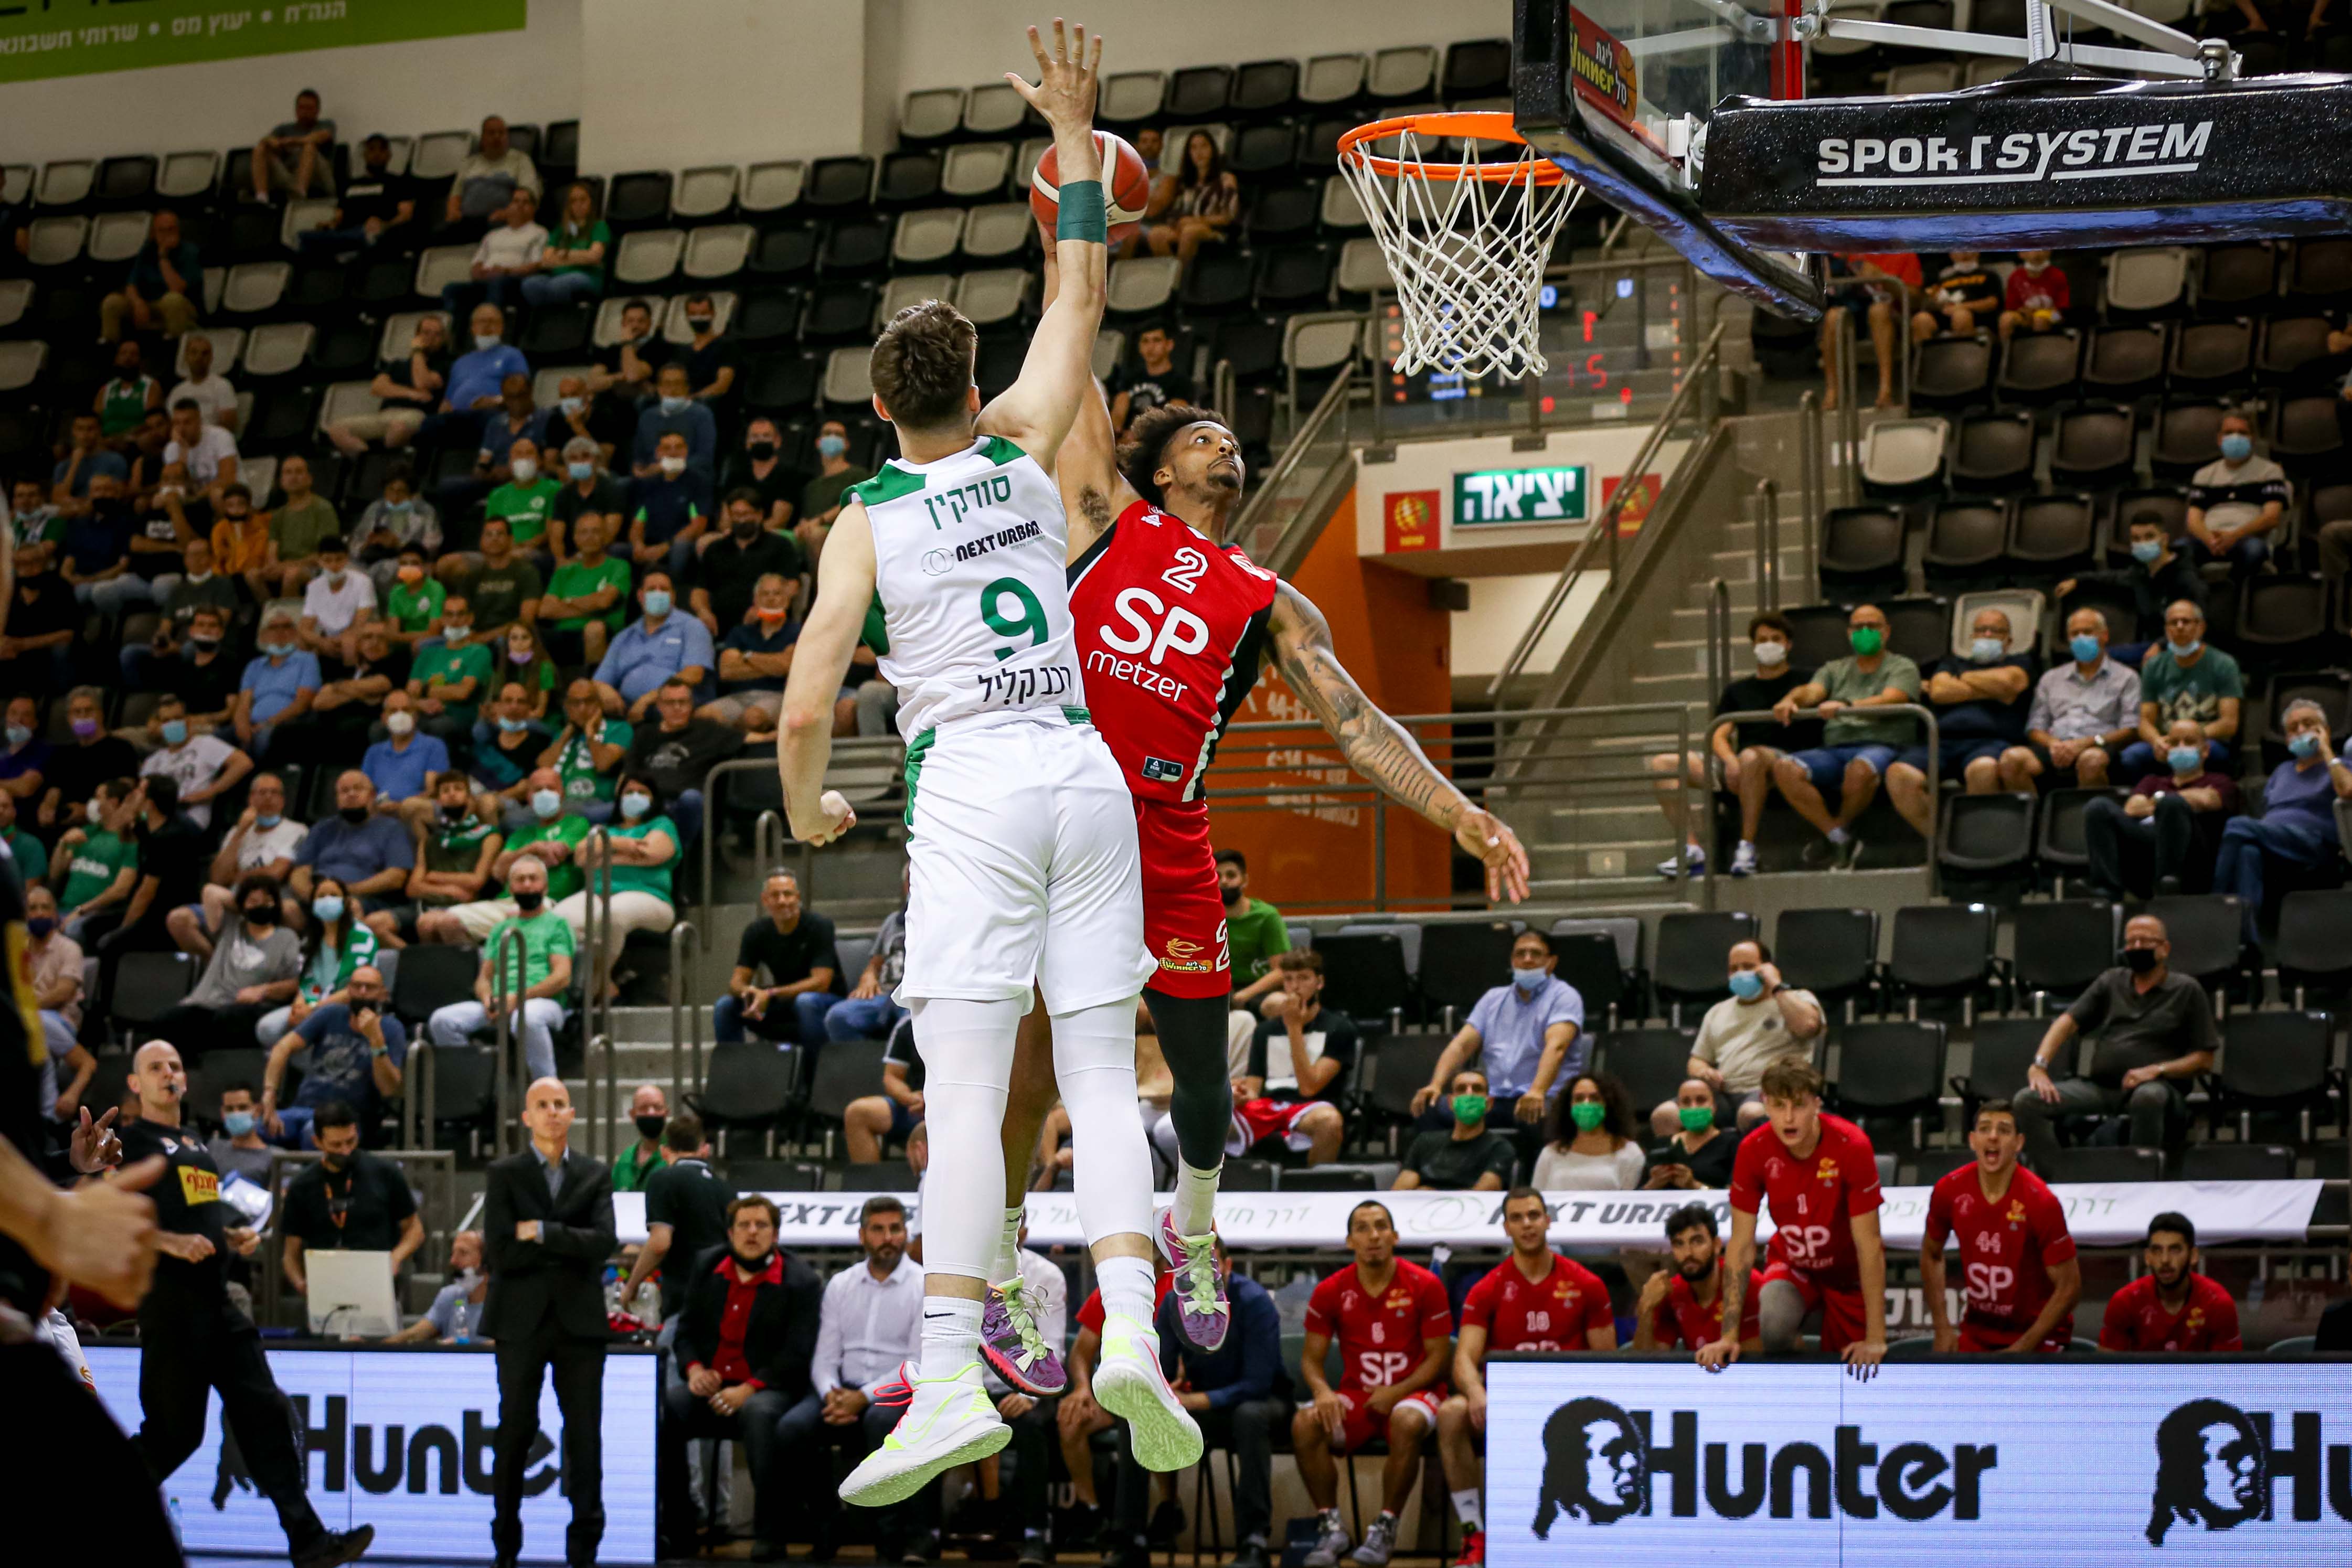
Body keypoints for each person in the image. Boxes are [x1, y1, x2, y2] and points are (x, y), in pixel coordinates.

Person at [781, 26, 1203, 1506]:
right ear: (971, 378)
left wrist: (809, 805)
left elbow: (801, 703)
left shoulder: (863, 522)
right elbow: (1082, 282)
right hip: (1082, 772)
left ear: (877, 405)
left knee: (966, 1097)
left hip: (967, 785)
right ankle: (1135, 1331)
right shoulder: (1024, 446)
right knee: (1096, 1073)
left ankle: (952, 1371)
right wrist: (1076, 141)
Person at [113, 1041, 376, 1568]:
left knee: (267, 1412)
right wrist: (171, 1244)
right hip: (172, 1305)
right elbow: (116, 1217)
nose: (170, 1073)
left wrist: (230, 1236)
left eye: (176, 1065)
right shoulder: (130, 1141)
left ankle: (308, 1540)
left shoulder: (193, 1141)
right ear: (136, 1084)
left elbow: (193, 1216)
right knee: (174, 1437)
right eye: (156, 1067)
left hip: (217, 1302)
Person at [1436, 1187, 1615, 1566]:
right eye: (1517, 1218)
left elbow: (1607, 1362)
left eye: (1534, 1215)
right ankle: (1474, 1533)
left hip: (1570, 1409)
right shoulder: (1487, 1288)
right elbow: (1463, 1359)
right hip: (1507, 1406)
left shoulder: (1587, 1284)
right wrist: (1474, 1390)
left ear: (1548, 1220)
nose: (1527, 1224)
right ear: (1506, 1227)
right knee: (1451, 1412)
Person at [482, 1075, 614, 1567]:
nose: (553, 1111)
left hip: (580, 1322)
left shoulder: (594, 1173)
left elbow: (604, 1243)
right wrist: (567, 1243)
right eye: (543, 1104)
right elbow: (499, 1251)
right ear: (527, 1116)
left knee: (585, 1436)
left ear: (572, 1112)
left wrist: (540, 1232)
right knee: (514, 1429)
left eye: (560, 1103)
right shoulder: (505, 1173)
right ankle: (506, 1548)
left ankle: (584, 1551)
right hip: (519, 1320)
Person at [1105, 1236, 1283, 1568]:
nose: (1201, 1276)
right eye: (1192, 1269)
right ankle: (1131, 1540)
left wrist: (1193, 1400)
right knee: (1136, 1416)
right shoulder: (1174, 1303)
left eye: (1210, 1267)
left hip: (1263, 1402)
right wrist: (1155, 1390)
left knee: (1249, 1416)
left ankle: (1253, 1541)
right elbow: (1163, 1367)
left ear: (1228, 1267)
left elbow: (1258, 1384)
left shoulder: (1255, 1302)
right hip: (1201, 1405)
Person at [1701, 1058, 1887, 1374]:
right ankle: (1803, 1374)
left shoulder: (1851, 1145)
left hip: (1847, 1274)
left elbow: (1869, 1244)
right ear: (1764, 1104)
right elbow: (1742, 1245)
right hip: (1795, 1263)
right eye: (1778, 1105)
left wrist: (1876, 1337)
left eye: (1799, 1105)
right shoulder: (1753, 1149)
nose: (1789, 1117)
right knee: (1773, 1324)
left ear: (1817, 1105)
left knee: (1858, 1367)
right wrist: (1728, 1335)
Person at [663, 1193, 822, 1560]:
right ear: (730, 1232)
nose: (752, 1232)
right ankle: (678, 1527)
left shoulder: (801, 1281)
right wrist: (694, 1370)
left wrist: (749, 1388)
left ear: (776, 1234)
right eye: (744, 1225)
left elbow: (797, 1355)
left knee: (759, 1414)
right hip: (713, 1384)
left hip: (771, 1386)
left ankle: (770, 1534)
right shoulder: (707, 1265)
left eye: (761, 1225)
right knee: (669, 1407)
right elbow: (683, 1332)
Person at [1295, 1200, 1453, 1568]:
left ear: (1395, 1236)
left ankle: (1386, 1525)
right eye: (1363, 1228)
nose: (1373, 1235)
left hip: (1416, 1391)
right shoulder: (1331, 1290)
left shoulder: (1425, 1284)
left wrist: (1396, 1392)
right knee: (1304, 1423)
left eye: (1381, 1226)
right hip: (1360, 1395)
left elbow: (1438, 1358)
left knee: (1405, 1419)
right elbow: (1310, 1359)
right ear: (1350, 1240)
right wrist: (1322, 1391)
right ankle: (1331, 1526)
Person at [783, 1195, 931, 1560]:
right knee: (792, 1427)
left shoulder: (924, 1285)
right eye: (878, 1229)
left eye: (895, 1229)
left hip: (898, 1391)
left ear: (906, 1233)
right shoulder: (841, 1283)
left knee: (881, 1420)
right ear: (862, 1235)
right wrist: (831, 1393)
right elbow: (824, 1356)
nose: (887, 1238)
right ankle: (827, 1524)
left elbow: (917, 1364)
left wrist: (862, 1397)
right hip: (841, 1389)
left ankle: (889, 1539)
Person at [2019, 911, 2220, 1172]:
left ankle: (2138, 1179)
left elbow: (2204, 1059)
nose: (2137, 947)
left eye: (2146, 941)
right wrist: (2039, 1065)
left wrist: (2156, 1070)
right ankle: (2057, 1178)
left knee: (2148, 1096)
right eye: (2131, 941)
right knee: (2027, 1100)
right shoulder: (2112, 981)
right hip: (2102, 1088)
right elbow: (2066, 1022)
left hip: (2158, 1089)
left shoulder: (2186, 990)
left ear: (2165, 949)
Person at [1649, 610, 1821, 878]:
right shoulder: (1737, 691)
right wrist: (1730, 761)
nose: (1769, 644)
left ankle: (1747, 848)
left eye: (1776, 639)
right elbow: (1719, 733)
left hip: (1788, 764)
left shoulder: (1808, 680)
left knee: (1752, 758)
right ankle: (1692, 851)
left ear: (1789, 644)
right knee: (1664, 764)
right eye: (1762, 639)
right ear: (1753, 646)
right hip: (1743, 765)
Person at [1165, 947, 1354, 1169]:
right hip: (1268, 1105)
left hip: (1310, 1106)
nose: (1295, 987)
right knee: (1201, 1120)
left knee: (1329, 1123)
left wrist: (1294, 1028)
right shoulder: (1265, 1031)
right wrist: (1242, 1094)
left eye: (1303, 978)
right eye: (1289, 980)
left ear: (1319, 983)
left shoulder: (1339, 1028)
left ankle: (1317, 1187)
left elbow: (1309, 1087)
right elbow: (1255, 1087)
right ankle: (1209, 1189)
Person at [1769, 601, 1924, 868]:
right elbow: (1812, 692)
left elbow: (1893, 699)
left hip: (1883, 743)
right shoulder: (1834, 668)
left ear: (1886, 632)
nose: (1865, 631)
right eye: (1858, 627)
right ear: (1849, 633)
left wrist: (1849, 706)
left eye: (1872, 626)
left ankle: (1837, 832)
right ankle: (1838, 835)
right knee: (1784, 768)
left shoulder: (1903, 666)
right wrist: (1791, 699)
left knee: (1860, 770)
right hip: (1834, 748)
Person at [1921, 1098, 2082, 1353]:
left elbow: (2070, 1286)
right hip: (1978, 1333)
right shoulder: (1948, 1190)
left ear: (2019, 1143)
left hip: (2036, 1339)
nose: (1993, 1137)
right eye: (1985, 1129)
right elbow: (1931, 1253)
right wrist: (1942, 1327)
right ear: (1973, 1140)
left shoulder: (2041, 1201)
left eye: (2004, 1130)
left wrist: (2022, 1348)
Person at [1409, 930, 1581, 1154]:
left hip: (1544, 1097)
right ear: (1512, 960)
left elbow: (1556, 1047)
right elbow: (1461, 1046)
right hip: (1496, 1098)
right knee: (1429, 1109)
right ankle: (1448, 1176)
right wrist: (1436, 1085)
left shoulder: (1564, 996)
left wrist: (1537, 1091)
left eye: (1536, 954)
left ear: (1552, 962)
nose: (1527, 959)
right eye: (1521, 953)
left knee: (1533, 1116)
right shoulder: (1493, 998)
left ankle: (1531, 1186)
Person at [1883, 605, 2036, 840]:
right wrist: (1988, 689)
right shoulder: (1952, 662)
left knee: (1983, 770)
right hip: (1940, 743)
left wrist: (1963, 680)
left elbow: (2009, 684)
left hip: (1989, 742)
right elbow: (1939, 692)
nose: (1986, 636)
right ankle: (1945, 844)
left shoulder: (2020, 661)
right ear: (1972, 636)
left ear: (2008, 640)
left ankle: (1978, 844)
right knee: (1898, 775)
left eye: (1995, 631)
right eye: (1981, 630)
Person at [2213, 699, 2352, 938]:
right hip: (2277, 844)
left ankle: (2216, 906)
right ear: (2287, 739)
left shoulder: (2341, 765)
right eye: (2293, 728)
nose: (2300, 731)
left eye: (2308, 724)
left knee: (2237, 826)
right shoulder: (2282, 771)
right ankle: (2248, 939)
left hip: (2315, 846)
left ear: (2325, 731)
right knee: (2248, 852)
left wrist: (2327, 751)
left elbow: (2348, 791)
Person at [429, 856, 574, 1081]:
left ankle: (547, 1088)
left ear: (545, 887)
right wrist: (488, 1000)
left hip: (544, 1004)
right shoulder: (500, 930)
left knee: (526, 1019)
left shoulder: (557, 925)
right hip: (500, 1004)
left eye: (533, 879)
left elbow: (562, 977)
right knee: (442, 1021)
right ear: (511, 888)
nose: (527, 884)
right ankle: (473, 1088)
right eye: (520, 880)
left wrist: (517, 999)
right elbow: (484, 978)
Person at [147, 871, 302, 1059]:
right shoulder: (231, 927)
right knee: (164, 1024)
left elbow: (295, 983)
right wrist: (245, 902)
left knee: (228, 1019)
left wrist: (264, 991)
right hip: (208, 1003)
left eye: (268, 901)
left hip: (246, 1007)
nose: (261, 905)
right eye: (253, 901)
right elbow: (210, 892)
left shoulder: (286, 937)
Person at [279, 1100, 424, 1298]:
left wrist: (395, 1258)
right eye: (336, 1145)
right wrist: (300, 1283)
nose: (345, 1151)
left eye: (351, 1141)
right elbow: (290, 1253)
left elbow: (415, 1229)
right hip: (326, 1283)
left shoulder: (385, 1173)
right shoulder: (302, 1186)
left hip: (377, 1282)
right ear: (317, 1142)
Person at [1679, 939, 1826, 1132]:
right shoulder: (1717, 1011)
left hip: (1773, 1093)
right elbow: (1696, 1060)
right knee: (1666, 1114)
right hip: (1723, 1094)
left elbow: (1808, 1027)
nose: (1740, 973)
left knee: (1750, 1113)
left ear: (1767, 968)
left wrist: (1777, 986)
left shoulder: (1796, 999)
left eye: (1748, 967)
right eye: (1734, 969)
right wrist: (1703, 1071)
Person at [2083, 718, 2238, 898]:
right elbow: (2132, 808)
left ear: (2205, 751)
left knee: (2172, 804)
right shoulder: (2152, 781)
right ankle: (2106, 890)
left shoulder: (2221, 781)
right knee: (2098, 807)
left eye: (2189, 742)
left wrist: (2158, 800)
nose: (2181, 747)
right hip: (2147, 852)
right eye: (2174, 743)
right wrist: (2173, 800)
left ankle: (2168, 883)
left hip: (2192, 863)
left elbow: (2208, 800)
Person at [259, 964, 407, 1149]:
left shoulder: (391, 1028)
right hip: (305, 1109)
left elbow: (389, 1089)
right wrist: (269, 1093)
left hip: (347, 1119)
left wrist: (376, 1041)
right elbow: (283, 1047)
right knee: (257, 1130)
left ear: (383, 994)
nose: (362, 992)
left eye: (370, 988)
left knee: (312, 1133)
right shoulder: (331, 1014)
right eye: (357, 986)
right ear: (348, 991)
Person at [556, 772, 678, 987]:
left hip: (651, 898)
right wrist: (627, 847)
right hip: (597, 894)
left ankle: (594, 986)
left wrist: (606, 853)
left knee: (612, 914)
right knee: (558, 921)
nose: (634, 797)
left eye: (642, 793)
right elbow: (581, 857)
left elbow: (652, 853)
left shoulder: (662, 824)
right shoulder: (606, 830)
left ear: (654, 799)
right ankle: (572, 983)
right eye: (629, 792)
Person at [2002, 606, 2143, 793]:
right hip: (2056, 746)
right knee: (2012, 760)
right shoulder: (2051, 678)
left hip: (2099, 746)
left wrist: (2087, 743)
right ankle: (2037, 819)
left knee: (2091, 761)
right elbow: (2035, 728)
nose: (2081, 638)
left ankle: (2088, 819)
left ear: (2105, 636)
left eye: (2087, 632)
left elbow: (2130, 729)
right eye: (2075, 634)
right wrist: (2054, 744)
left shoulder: (2127, 677)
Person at [622, 1113, 737, 1321]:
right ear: (705, 1150)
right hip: (722, 1296)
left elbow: (660, 1243)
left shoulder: (663, 1180)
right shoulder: (727, 1189)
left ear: (665, 1152)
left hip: (684, 1298)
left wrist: (632, 1285)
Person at [2055, 510, 2206, 661]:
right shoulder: (2139, 573)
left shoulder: (2185, 578)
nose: (2143, 543)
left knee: (2103, 659)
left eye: (2149, 537)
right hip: (2149, 644)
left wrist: (2162, 645)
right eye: (2136, 539)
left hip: (2180, 645)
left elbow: (2197, 621)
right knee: (2096, 657)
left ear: (2165, 539)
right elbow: (2111, 578)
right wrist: (2078, 581)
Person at [717, 869, 841, 1044]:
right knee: (725, 1006)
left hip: (825, 999)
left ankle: (815, 1069)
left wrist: (771, 993)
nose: (782, 901)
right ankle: (732, 1069)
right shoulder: (756, 931)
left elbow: (821, 983)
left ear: (798, 898)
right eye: (775, 895)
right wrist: (753, 993)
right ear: (765, 900)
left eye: (788, 894)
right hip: (783, 1000)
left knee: (806, 1002)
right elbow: (736, 983)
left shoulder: (820, 926)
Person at [2125, 598, 2243, 778]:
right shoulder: (2154, 666)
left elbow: (2229, 724)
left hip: (2207, 740)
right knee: (2131, 757)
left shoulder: (2224, 664)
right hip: (2167, 740)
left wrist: (2187, 740)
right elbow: (2144, 721)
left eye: (2186, 621)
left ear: (2201, 627)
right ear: (2167, 630)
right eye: (2174, 622)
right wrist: (2158, 741)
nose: (2180, 627)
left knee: (2215, 755)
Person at [2098, 1211, 2242, 1351]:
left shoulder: (2218, 1303)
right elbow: (2105, 1371)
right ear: (2148, 1257)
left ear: (2193, 1255)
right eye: (2157, 1250)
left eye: (2175, 1250)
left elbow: (2230, 1373)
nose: (2165, 1260)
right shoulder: (2125, 1301)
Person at [624, 676, 735, 846]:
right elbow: (630, 772)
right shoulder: (644, 733)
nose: (677, 708)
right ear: (659, 706)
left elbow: (752, 738)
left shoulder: (707, 731)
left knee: (692, 799)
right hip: (646, 802)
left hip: (682, 806)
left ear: (692, 704)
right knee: (591, 813)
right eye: (670, 703)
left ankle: (675, 852)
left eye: (683, 702)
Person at [289, 771, 415, 912]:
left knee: (350, 907)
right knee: (288, 909)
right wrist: (312, 894)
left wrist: (344, 892)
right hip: (319, 895)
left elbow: (396, 877)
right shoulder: (322, 828)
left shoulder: (393, 828)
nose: (351, 794)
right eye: (345, 791)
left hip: (365, 899)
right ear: (337, 799)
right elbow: (300, 871)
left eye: (358, 789)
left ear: (373, 795)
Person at [595, 573, 714, 722]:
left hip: (673, 701)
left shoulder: (692, 626)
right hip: (626, 705)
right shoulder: (625, 636)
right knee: (585, 705)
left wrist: (649, 699)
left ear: (673, 596)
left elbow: (694, 674)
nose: (658, 594)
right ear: (640, 596)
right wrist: (605, 690)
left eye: (664, 590)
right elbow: (600, 680)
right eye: (652, 590)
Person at [2185, 409, 2290, 578]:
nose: (2235, 438)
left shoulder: (2270, 472)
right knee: (2180, 550)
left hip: (2246, 540)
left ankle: (2234, 595)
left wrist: (2234, 536)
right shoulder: (2203, 475)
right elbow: (2193, 519)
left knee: (2254, 551)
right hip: (2209, 540)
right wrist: (2211, 540)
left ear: (2253, 438)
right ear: (2219, 439)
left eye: (2242, 433)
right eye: (2229, 433)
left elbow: (2271, 517)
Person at [331, 315, 450, 455]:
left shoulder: (444, 365)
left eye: (437, 335)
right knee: (338, 429)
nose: (431, 338)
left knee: (398, 428)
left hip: (416, 415)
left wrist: (417, 352)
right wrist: (412, 393)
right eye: (426, 333)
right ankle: (366, 460)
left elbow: (422, 383)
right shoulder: (397, 365)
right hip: (385, 414)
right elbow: (377, 388)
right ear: (417, 335)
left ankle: (385, 461)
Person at [692, 488, 804, 634]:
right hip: (720, 625)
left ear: (759, 515)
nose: (741, 520)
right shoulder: (715, 549)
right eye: (736, 515)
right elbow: (700, 589)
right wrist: (704, 612)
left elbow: (792, 585)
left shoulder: (780, 546)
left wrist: (763, 609)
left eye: (746, 514)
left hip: (766, 623)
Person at [701, 571, 800, 735]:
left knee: (753, 718)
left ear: (787, 600)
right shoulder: (740, 632)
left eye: (777, 593)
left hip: (777, 696)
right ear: (756, 601)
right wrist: (772, 663)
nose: (771, 598)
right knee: (704, 716)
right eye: (765, 594)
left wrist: (747, 657)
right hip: (738, 697)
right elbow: (727, 671)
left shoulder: (797, 631)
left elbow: (786, 666)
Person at [1819, 252, 1920, 409]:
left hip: (1894, 319)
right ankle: (1833, 391)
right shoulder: (1847, 253)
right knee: (1833, 316)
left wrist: (1883, 278)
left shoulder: (1905, 254)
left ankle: (1885, 391)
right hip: (1855, 314)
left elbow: (1915, 299)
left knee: (1879, 311)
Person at [1396, 1068, 1520, 1191]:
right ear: (1450, 1102)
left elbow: (1482, 1196)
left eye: (1477, 1089)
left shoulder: (1499, 1147)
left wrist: (1428, 1192)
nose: (1469, 1094)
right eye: (1461, 1089)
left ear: (1489, 1104)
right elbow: (1399, 1194)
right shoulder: (1424, 1142)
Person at [296, 132, 414, 261]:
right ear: (365, 155)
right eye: (372, 150)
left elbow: (406, 214)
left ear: (389, 155)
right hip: (347, 232)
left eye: (382, 150)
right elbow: (339, 216)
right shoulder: (350, 185)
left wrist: (385, 225)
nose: (377, 154)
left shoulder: (399, 182)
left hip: (376, 233)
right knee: (304, 237)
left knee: (370, 236)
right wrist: (330, 224)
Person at [52, 779, 140, 946]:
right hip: (63, 908)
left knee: (72, 931)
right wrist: (62, 844)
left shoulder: (130, 842)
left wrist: (81, 910)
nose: (93, 803)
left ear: (113, 802)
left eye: (98, 797)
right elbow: (56, 873)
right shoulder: (87, 833)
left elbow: (120, 891)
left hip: (95, 914)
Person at [24, 884, 87, 1119]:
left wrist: (24, 1009)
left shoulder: (70, 948)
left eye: (45, 908)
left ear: (55, 914)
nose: (39, 913)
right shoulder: (17, 949)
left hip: (61, 1020)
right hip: (28, 1021)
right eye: (33, 908)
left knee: (35, 1025)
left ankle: (47, 1118)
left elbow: (63, 993)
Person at [539, 512, 632, 667]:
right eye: (584, 532)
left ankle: (594, 684)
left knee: (594, 628)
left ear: (605, 536)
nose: (589, 537)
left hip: (603, 634)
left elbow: (604, 602)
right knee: (525, 635)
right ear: (575, 538)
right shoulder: (564, 572)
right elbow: (545, 610)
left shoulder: (619, 566)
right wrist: (591, 606)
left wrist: (567, 601)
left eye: (596, 532)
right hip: (563, 634)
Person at [444, 186, 549, 320]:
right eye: (516, 201)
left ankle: (490, 327)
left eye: (526, 202)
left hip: (513, 281)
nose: (520, 206)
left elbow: (535, 266)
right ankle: (458, 332)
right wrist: (479, 272)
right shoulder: (493, 235)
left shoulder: (539, 233)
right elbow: (477, 263)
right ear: (508, 207)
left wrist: (505, 271)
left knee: (498, 284)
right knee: (451, 290)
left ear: (534, 209)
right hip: (487, 280)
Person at [100, 209, 203, 342]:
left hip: (183, 308)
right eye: (162, 231)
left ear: (178, 231)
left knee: (172, 300)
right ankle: (112, 351)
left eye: (171, 230)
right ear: (154, 234)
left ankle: (177, 350)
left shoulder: (190, 252)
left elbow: (177, 289)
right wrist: (138, 303)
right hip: (150, 305)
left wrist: (163, 257)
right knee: (112, 303)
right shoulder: (147, 251)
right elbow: (131, 286)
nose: (167, 235)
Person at [407, 593, 497, 744]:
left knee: (433, 727)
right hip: (423, 712)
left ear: (470, 618)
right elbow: (410, 692)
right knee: (384, 727)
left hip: (457, 715)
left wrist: (424, 690)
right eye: (449, 615)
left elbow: (463, 693)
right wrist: (420, 704)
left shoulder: (479, 652)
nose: (455, 621)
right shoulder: (428, 653)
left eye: (461, 614)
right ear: (442, 619)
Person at [1530, 1072, 1645, 1189]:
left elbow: (1627, 1201)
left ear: (1608, 1104)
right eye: (1579, 1099)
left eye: (1595, 1098)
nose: (1586, 1104)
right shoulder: (1551, 1152)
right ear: (1569, 1106)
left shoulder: (1630, 1152)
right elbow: (1537, 1197)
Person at [1214, 849, 1292, 1012]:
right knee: (1146, 1010)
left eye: (1231, 875)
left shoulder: (1266, 916)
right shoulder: (1202, 917)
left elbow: (1281, 970)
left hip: (1256, 990)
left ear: (1245, 880)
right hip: (1213, 992)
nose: (1224, 882)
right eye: (1218, 876)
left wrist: (1243, 996)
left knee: (1283, 1004)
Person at [1145, 130, 1239, 264]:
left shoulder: (1226, 179)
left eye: (1204, 146)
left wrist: (1196, 220)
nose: (1199, 152)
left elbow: (1228, 217)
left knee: (1190, 232)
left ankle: (1184, 279)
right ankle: (1171, 274)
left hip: (1215, 230)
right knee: (1156, 234)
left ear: (1213, 149)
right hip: (1184, 228)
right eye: (1194, 148)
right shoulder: (1186, 184)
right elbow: (1175, 214)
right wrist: (1179, 223)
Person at [844, 1016, 927, 1165]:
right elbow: (892, 1077)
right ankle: (869, 1186)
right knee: (858, 1113)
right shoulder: (909, 1024)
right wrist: (910, 1098)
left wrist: (934, 1101)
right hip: (916, 1107)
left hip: (953, 1107)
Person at [0, 544, 80, 696]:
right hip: (15, 657)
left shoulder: (60, 588)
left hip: (47, 654)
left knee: (61, 651)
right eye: (21, 564)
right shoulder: (9, 593)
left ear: (46, 563)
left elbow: (68, 634)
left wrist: (23, 645)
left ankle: (60, 698)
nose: (28, 569)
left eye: (34, 563)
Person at [387, 1230, 491, 1343]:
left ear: (487, 1260)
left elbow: (507, 1346)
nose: (453, 1261)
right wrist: (379, 1347)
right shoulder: (450, 1296)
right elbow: (416, 1334)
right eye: (453, 1254)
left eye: (463, 1253)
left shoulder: (503, 1302)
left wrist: (466, 1349)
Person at [796, 417, 874, 556]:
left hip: (845, 530)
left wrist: (820, 521)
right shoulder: (812, 486)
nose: (832, 437)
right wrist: (802, 526)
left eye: (838, 435)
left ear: (847, 444)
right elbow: (806, 515)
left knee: (816, 535)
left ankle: (820, 579)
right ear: (818, 442)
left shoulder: (858, 475)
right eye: (827, 433)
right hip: (813, 528)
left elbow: (854, 503)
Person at [1643, 1078, 1739, 1189]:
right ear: (1679, 1108)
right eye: (1686, 1102)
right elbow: (1632, 1196)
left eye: (1701, 1100)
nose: (1693, 1107)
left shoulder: (1732, 1143)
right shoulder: (1663, 1146)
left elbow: (1734, 1197)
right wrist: (1654, 1184)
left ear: (1714, 1106)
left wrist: (1694, 1185)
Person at [525, 180, 608, 309]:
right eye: (573, 201)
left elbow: (594, 256)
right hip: (558, 276)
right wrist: (579, 258)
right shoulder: (561, 230)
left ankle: (562, 318)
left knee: (559, 285)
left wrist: (565, 254)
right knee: (531, 284)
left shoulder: (599, 226)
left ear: (592, 202)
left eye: (583, 200)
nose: (578, 205)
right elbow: (546, 261)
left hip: (587, 277)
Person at [633, 362, 719, 481]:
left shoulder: (702, 415)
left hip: (690, 477)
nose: (673, 390)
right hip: (653, 478)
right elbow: (639, 458)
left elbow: (704, 458)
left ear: (687, 388)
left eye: (678, 384)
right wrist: (640, 471)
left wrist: (669, 467)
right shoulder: (647, 417)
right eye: (667, 384)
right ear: (659, 388)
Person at [1108, 321, 1196, 433]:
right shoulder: (1129, 379)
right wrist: (1116, 434)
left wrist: (1137, 436)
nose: (1151, 347)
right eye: (1145, 341)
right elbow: (1117, 416)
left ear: (1169, 345)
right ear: (1139, 347)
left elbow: (1172, 421)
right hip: (1125, 441)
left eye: (1157, 340)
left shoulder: (1181, 382)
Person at [251, 88, 335, 200]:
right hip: (289, 176)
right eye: (301, 108)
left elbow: (320, 137)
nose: (305, 112)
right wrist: (274, 142)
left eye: (309, 108)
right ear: (296, 110)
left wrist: (293, 141)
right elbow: (267, 139)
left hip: (318, 177)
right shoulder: (284, 129)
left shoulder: (326, 125)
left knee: (309, 146)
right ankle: (261, 197)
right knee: (261, 148)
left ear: (317, 110)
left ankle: (300, 194)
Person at [725, 415, 802, 534]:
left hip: (772, 535)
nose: (760, 440)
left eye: (766, 436)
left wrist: (749, 535)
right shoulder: (736, 474)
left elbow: (779, 521)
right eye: (755, 437)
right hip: (736, 535)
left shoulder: (788, 475)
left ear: (778, 441)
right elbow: (726, 516)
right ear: (747, 443)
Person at [1911, 248, 2002, 339]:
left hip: (1978, 317)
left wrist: (1962, 307)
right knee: (1921, 319)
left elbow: (1993, 302)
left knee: (1961, 316)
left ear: (1978, 252)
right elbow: (1935, 303)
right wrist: (1936, 302)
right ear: (1951, 255)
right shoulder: (1945, 279)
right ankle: (1925, 353)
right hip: (1947, 315)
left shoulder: (1989, 275)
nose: (1964, 253)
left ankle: (1963, 353)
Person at [205, 1080, 276, 1187]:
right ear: (223, 1113)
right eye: (230, 1109)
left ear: (257, 1111)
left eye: (243, 1108)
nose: (236, 1113)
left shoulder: (273, 1158)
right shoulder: (213, 1148)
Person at [95, 337, 163, 440]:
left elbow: (152, 424)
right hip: (106, 443)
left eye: (133, 354)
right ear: (116, 359)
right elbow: (94, 422)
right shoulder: (106, 389)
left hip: (135, 443)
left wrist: (122, 438)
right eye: (123, 353)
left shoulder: (151, 386)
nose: (128, 358)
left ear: (141, 359)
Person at [1997, 249, 2069, 342]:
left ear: (2049, 252)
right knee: (2006, 319)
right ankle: (2005, 353)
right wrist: (2025, 312)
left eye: (2042, 249)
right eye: (2033, 249)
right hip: (2027, 315)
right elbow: (2012, 307)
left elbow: (2063, 308)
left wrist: (2041, 312)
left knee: (2039, 319)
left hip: (2056, 315)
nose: (2037, 253)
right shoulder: (2016, 276)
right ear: (2021, 254)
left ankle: (2040, 353)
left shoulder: (2058, 275)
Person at [612, 1084, 672, 1192]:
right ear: (633, 1115)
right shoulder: (626, 1158)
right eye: (644, 1108)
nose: (651, 1113)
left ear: (666, 1113)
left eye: (657, 1108)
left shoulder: (676, 1156)